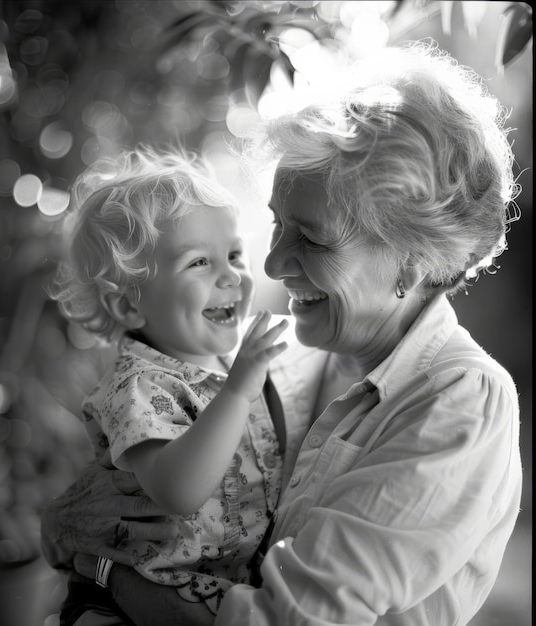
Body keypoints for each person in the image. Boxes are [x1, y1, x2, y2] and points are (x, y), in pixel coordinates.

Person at [41, 40, 523, 625]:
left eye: (313, 238)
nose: (270, 266)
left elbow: (286, 620)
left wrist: (105, 572)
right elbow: (121, 495)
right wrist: (64, 523)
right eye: (275, 222)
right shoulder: (279, 356)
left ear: (410, 264)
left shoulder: (458, 402)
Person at [47, 146, 291, 624]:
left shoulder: (227, 363)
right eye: (199, 262)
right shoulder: (136, 385)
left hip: (214, 587)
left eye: (234, 255)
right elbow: (178, 490)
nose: (231, 276)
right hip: (122, 605)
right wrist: (240, 389)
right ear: (128, 308)